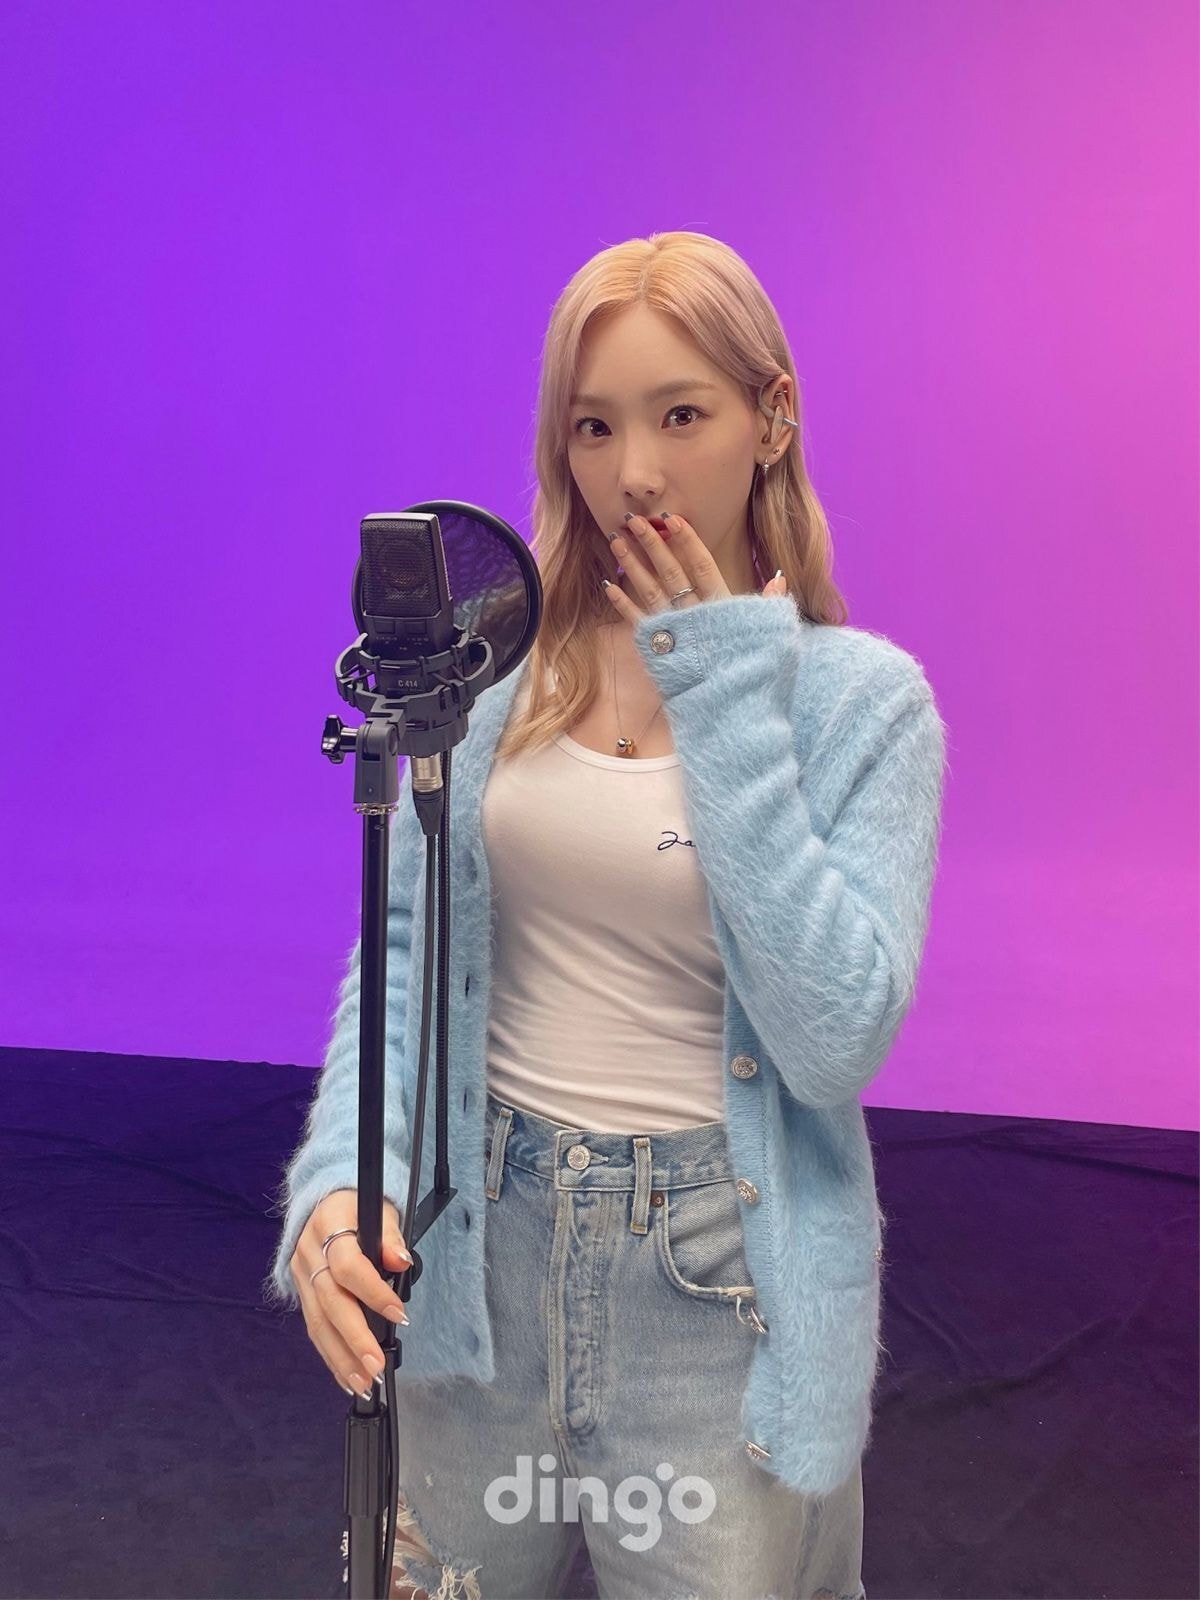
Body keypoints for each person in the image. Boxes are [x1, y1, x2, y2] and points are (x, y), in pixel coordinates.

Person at [265, 230, 948, 1600]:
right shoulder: (491, 677)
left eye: (680, 414)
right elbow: (401, 950)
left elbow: (831, 1042)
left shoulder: (864, 706)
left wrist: (723, 690)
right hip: (482, 1252)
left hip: (718, 1297)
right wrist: (344, 1177)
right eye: (594, 425)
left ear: (772, 417)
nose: (634, 470)